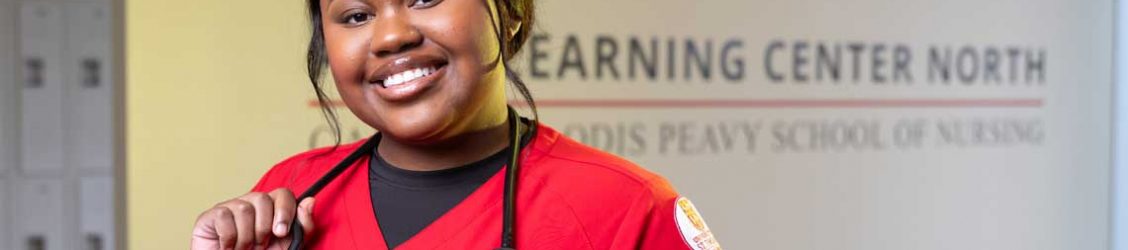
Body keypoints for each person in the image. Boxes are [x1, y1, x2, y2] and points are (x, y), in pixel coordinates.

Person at [190, 0, 721, 249]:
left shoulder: (625, 208)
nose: (391, 35)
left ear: (510, 12)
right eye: (356, 15)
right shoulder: (285, 201)